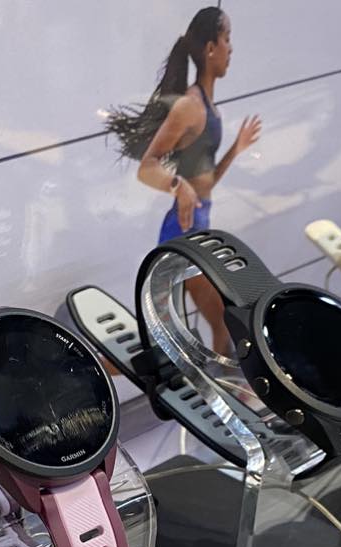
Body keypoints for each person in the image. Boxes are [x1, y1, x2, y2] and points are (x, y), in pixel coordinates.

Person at [106, 7, 262, 351]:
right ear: (210, 48)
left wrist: (235, 149)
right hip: (183, 228)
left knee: (207, 325)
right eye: (227, 39)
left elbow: (206, 181)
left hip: (199, 220)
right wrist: (178, 187)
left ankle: (217, 380)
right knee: (206, 324)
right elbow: (147, 167)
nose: (231, 48)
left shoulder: (209, 108)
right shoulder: (189, 106)